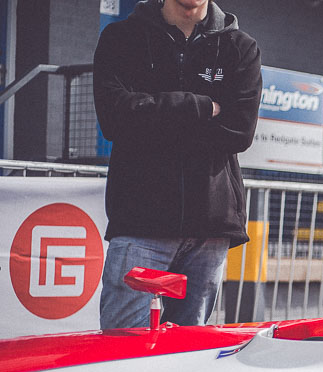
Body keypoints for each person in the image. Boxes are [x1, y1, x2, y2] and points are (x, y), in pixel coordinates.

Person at [93, 0, 261, 328]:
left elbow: (239, 132)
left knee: (189, 353)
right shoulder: (121, 38)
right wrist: (201, 107)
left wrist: (149, 115)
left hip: (209, 230)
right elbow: (114, 119)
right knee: (123, 348)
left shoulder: (240, 47)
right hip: (141, 224)